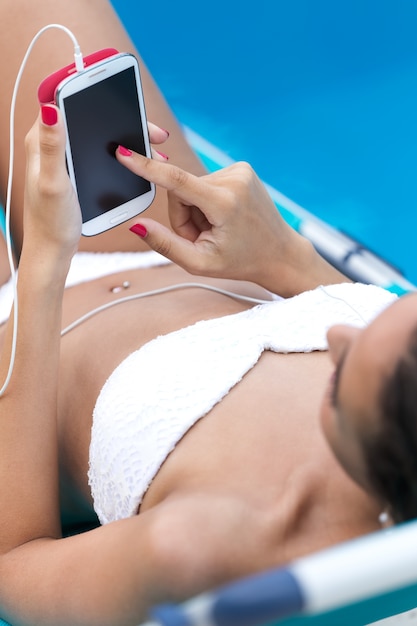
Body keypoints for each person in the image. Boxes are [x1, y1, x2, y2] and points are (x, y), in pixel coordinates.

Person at [0, 1, 414, 625]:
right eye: (379, 317)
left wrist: (42, 269)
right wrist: (282, 254)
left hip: (22, 344)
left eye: (337, 378)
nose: (337, 331)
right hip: (149, 228)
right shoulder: (397, 398)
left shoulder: (203, 547)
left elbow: (13, 562)